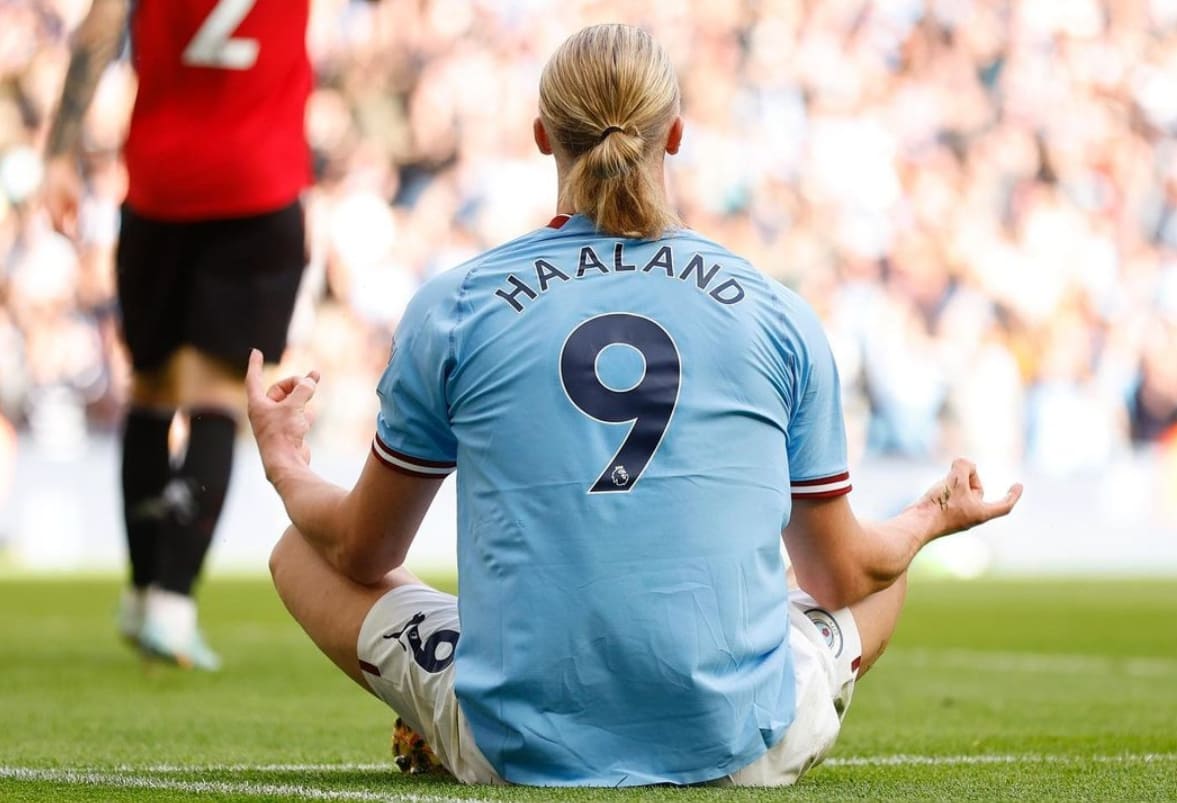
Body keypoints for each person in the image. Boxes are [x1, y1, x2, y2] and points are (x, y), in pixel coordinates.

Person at [247, 24, 1022, 787]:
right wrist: (929, 517)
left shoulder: (456, 305)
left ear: (542, 135)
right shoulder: (774, 311)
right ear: (674, 134)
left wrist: (285, 464)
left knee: (299, 549)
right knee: (881, 566)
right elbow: (842, 574)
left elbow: (361, 551)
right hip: (741, 744)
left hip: (511, 743)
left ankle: (455, 707)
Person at [43, 0, 313, 670]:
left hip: (160, 186)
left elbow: (99, 31)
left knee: (151, 389)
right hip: (258, 186)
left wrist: (58, 153)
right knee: (217, 398)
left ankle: (140, 592)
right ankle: (172, 602)